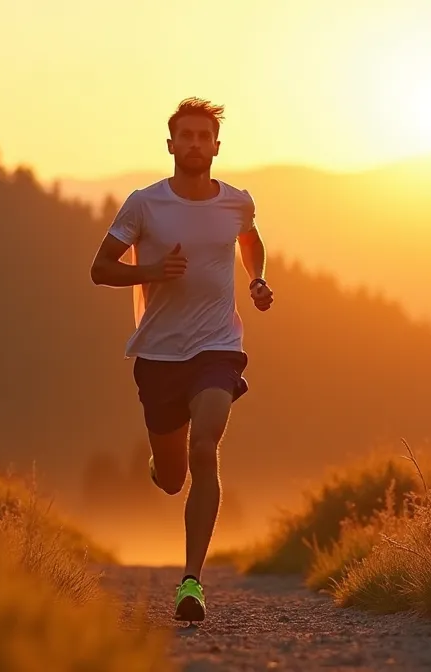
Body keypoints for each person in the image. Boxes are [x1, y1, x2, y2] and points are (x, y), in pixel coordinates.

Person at [89, 97, 273, 623]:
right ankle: (161, 465)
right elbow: (100, 268)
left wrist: (257, 280)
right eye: (186, 136)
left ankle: (191, 581)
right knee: (173, 477)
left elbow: (250, 241)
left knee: (205, 447)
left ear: (216, 147)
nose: (195, 144)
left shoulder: (237, 202)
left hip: (218, 347)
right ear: (171, 145)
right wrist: (151, 271)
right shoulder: (144, 205)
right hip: (159, 354)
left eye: (203, 136)